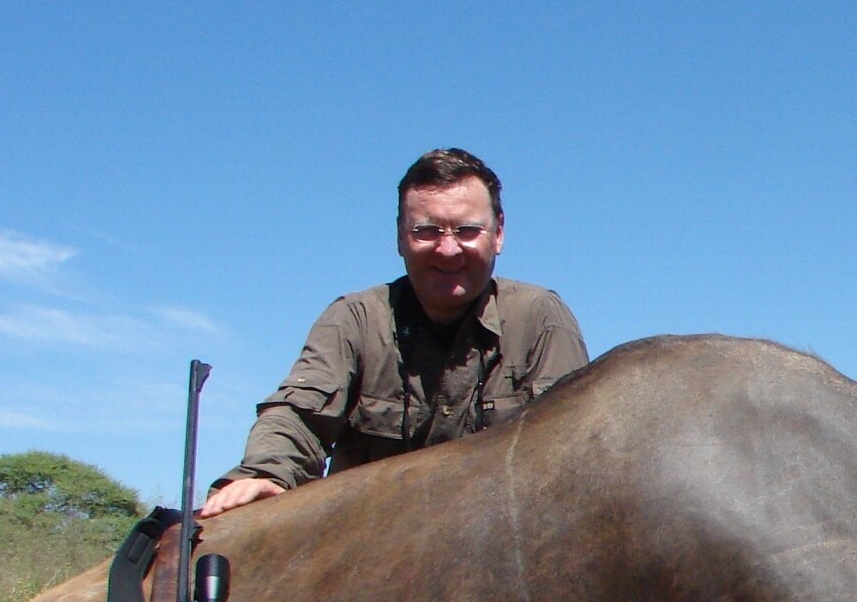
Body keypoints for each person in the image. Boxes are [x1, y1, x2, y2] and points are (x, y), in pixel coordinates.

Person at [201, 148, 588, 517]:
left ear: (498, 234)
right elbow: (299, 419)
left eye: (468, 230)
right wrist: (267, 474)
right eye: (427, 230)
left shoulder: (541, 319)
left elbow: (574, 450)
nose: (448, 249)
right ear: (400, 236)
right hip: (369, 554)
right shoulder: (353, 319)